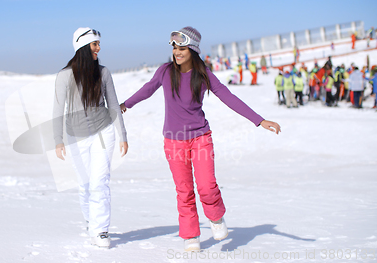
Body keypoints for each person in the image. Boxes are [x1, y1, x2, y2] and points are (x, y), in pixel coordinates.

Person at [119, 27, 281, 252]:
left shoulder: (203, 73)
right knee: (184, 190)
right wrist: (125, 105)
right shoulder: (165, 71)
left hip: (200, 138)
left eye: (182, 48)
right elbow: (147, 89)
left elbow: (228, 97)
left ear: (192, 50)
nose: (177, 52)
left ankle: (215, 218)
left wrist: (259, 120)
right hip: (173, 141)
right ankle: (190, 235)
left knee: (206, 186)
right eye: (175, 47)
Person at [53, 27, 128, 249]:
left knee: (100, 182)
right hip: (76, 136)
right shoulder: (65, 76)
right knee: (85, 184)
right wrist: (58, 139)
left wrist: (122, 134)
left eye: (98, 43)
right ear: (84, 47)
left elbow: (113, 104)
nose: (99, 48)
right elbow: (57, 109)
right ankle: (91, 221)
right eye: (95, 44)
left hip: (103, 131)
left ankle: (101, 230)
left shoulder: (103, 73)